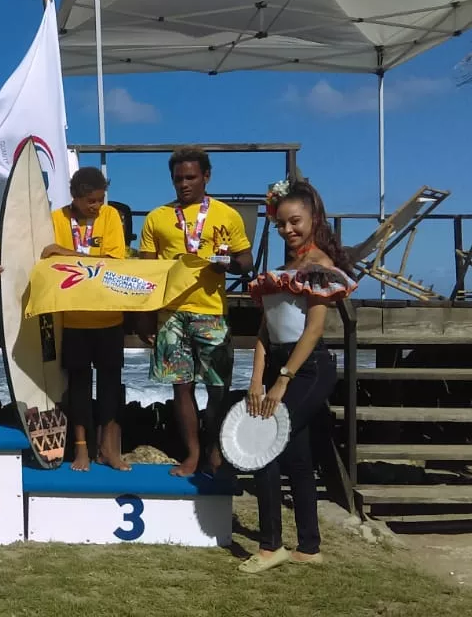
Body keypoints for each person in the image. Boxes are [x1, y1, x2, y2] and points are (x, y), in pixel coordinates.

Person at [240, 179, 356, 573]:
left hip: (308, 368)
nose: (288, 230)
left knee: (265, 444)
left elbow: (313, 331)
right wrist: (257, 379)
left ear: (314, 219)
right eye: (281, 224)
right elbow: (264, 331)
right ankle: (309, 545)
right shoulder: (284, 269)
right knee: (298, 456)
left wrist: (282, 379)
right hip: (279, 364)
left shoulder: (320, 268)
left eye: (295, 222)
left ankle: (270, 547)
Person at [0, 168, 129, 471]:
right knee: (77, 388)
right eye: (91, 201)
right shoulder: (54, 219)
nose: (98, 206)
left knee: (109, 388)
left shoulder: (111, 217)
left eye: (101, 199)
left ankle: (108, 449)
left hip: (108, 317)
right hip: (72, 320)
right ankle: (80, 449)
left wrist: (64, 253)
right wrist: (5, 267)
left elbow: (113, 263)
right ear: (75, 197)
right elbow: (34, 258)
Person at [138, 147, 253, 477]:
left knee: (218, 387)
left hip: (211, 311)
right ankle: (192, 454)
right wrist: (145, 315)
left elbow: (247, 262)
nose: (183, 184)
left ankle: (216, 448)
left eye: (190, 177)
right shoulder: (157, 218)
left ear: (206, 176)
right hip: (171, 314)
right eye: (177, 179)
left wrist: (228, 264)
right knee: (181, 386)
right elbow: (146, 272)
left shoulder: (227, 215)